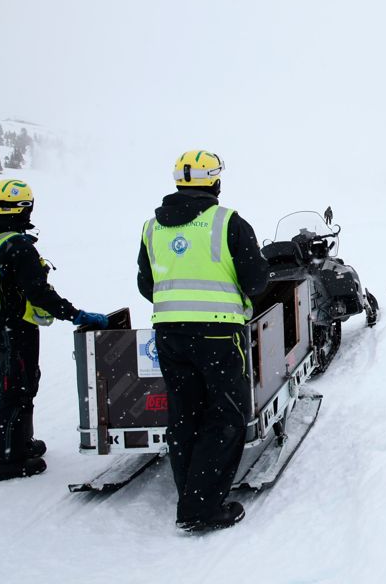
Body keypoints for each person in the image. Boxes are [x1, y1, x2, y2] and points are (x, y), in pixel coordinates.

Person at [137, 150, 268, 532]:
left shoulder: (151, 227)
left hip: (170, 333)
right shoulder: (227, 222)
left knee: (184, 414)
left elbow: (147, 283)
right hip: (217, 333)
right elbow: (257, 280)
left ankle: (191, 492)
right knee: (226, 415)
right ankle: (201, 507)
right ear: (214, 181)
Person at [0, 179, 108, 481]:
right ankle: (6, 462)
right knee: (15, 389)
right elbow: (38, 293)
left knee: (23, 381)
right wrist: (75, 314)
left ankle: (22, 442)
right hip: (13, 326)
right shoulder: (16, 245)